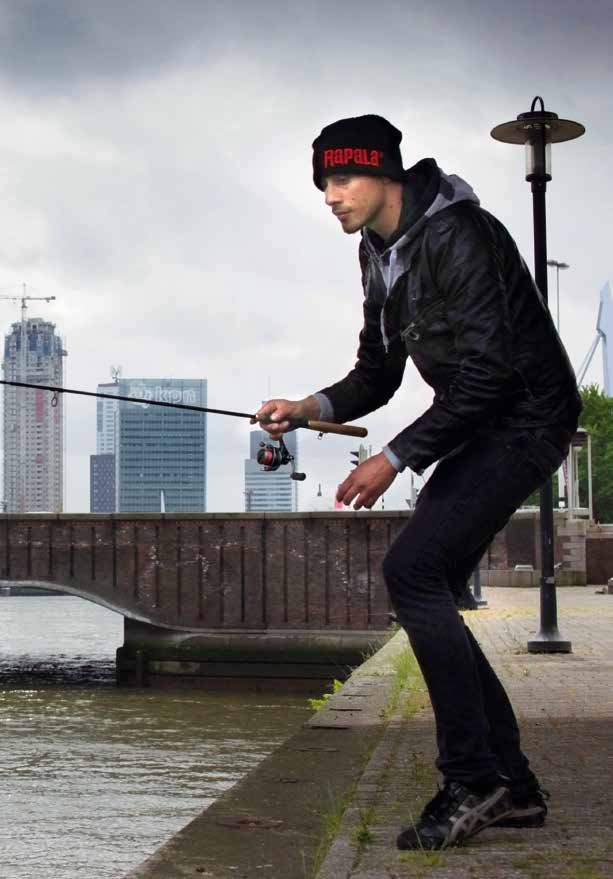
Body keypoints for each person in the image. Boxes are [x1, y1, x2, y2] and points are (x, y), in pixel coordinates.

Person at [256, 114, 581, 851]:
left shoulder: (461, 234)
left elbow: (489, 375)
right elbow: (378, 372)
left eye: (341, 179)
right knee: (421, 573)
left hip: (526, 418)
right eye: (322, 184)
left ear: (384, 175)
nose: (329, 197)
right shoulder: (378, 253)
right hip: (478, 422)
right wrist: (308, 407)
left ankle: (473, 776)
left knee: (414, 569)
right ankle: (513, 786)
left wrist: (393, 456)